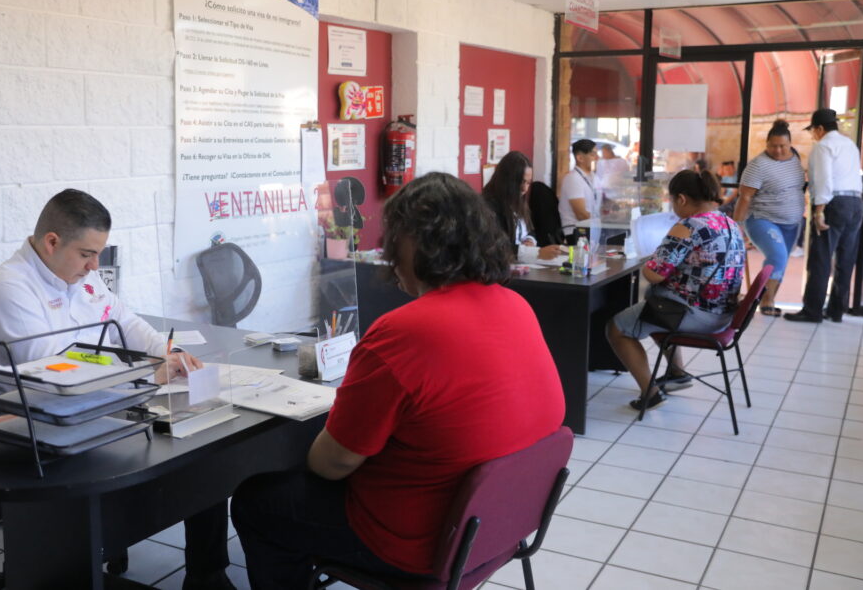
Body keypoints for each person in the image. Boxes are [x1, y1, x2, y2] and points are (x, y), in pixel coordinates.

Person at [230, 173, 565, 589]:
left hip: (418, 543)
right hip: (498, 525)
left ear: (415, 242)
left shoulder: (404, 332)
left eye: (393, 238)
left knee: (257, 503)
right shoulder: (516, 305)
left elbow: (332, 464)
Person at [0, 189, 232, 590]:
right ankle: (67, 564)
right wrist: (148, 376)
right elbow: (58, 378)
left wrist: (166, 352)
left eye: (98, 254)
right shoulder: (8, 291)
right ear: (52, 242)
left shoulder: (77, 275)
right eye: (87, 254)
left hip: (103, 407)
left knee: (205, 448)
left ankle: (207, 576)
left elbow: (125, 320)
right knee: (187, 456)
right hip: (44, 429)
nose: (94, 266)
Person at [606, 170, 745, 409]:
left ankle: (650, 394)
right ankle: (677, 373)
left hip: (696, 315)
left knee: (616, 328)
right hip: (724, 315)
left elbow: (653, 274)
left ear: (681, 199)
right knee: (654, 310)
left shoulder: (689, 225)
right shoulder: (729, 223)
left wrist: (652, 259)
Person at [784, 109, 863, 323]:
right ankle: (836, 311)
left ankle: (812, 311)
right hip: (856, 203)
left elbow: (824, 180)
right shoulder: (850, 145)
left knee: (820, 257)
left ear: (819, 128)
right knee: (845, 259)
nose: (813, 135)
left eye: (813, 131)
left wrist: (819, 211)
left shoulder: (823, 146)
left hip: (833, 204)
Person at [733, 120, 806, 316]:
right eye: (773, 146)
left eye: (783, 146)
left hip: (792, 223)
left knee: (781, 263)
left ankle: (768, 299)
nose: (778, 150)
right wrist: (736, 226)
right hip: (762, 219)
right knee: (778, 257)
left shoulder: (795, 158)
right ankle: (765, 300)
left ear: (790, 144)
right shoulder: (758, 165)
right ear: (766, 144)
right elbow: (745, 197)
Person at [482, 151, 563, 262]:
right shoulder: (489, 206)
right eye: (521, 182)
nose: (525, 188)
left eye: (528, 183)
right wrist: (536, 253)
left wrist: (530, 240)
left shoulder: (518, 202)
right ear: (507, 180)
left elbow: (529, 230)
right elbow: (496, 246)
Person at [559, 138, 600, 242]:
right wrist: (603, 222)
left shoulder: (593, 177)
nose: (597, 158)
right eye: (593, 154)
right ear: (580, 158)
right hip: (576, 232)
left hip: (591, 228)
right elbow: (581, 215)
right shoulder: (573, 178)